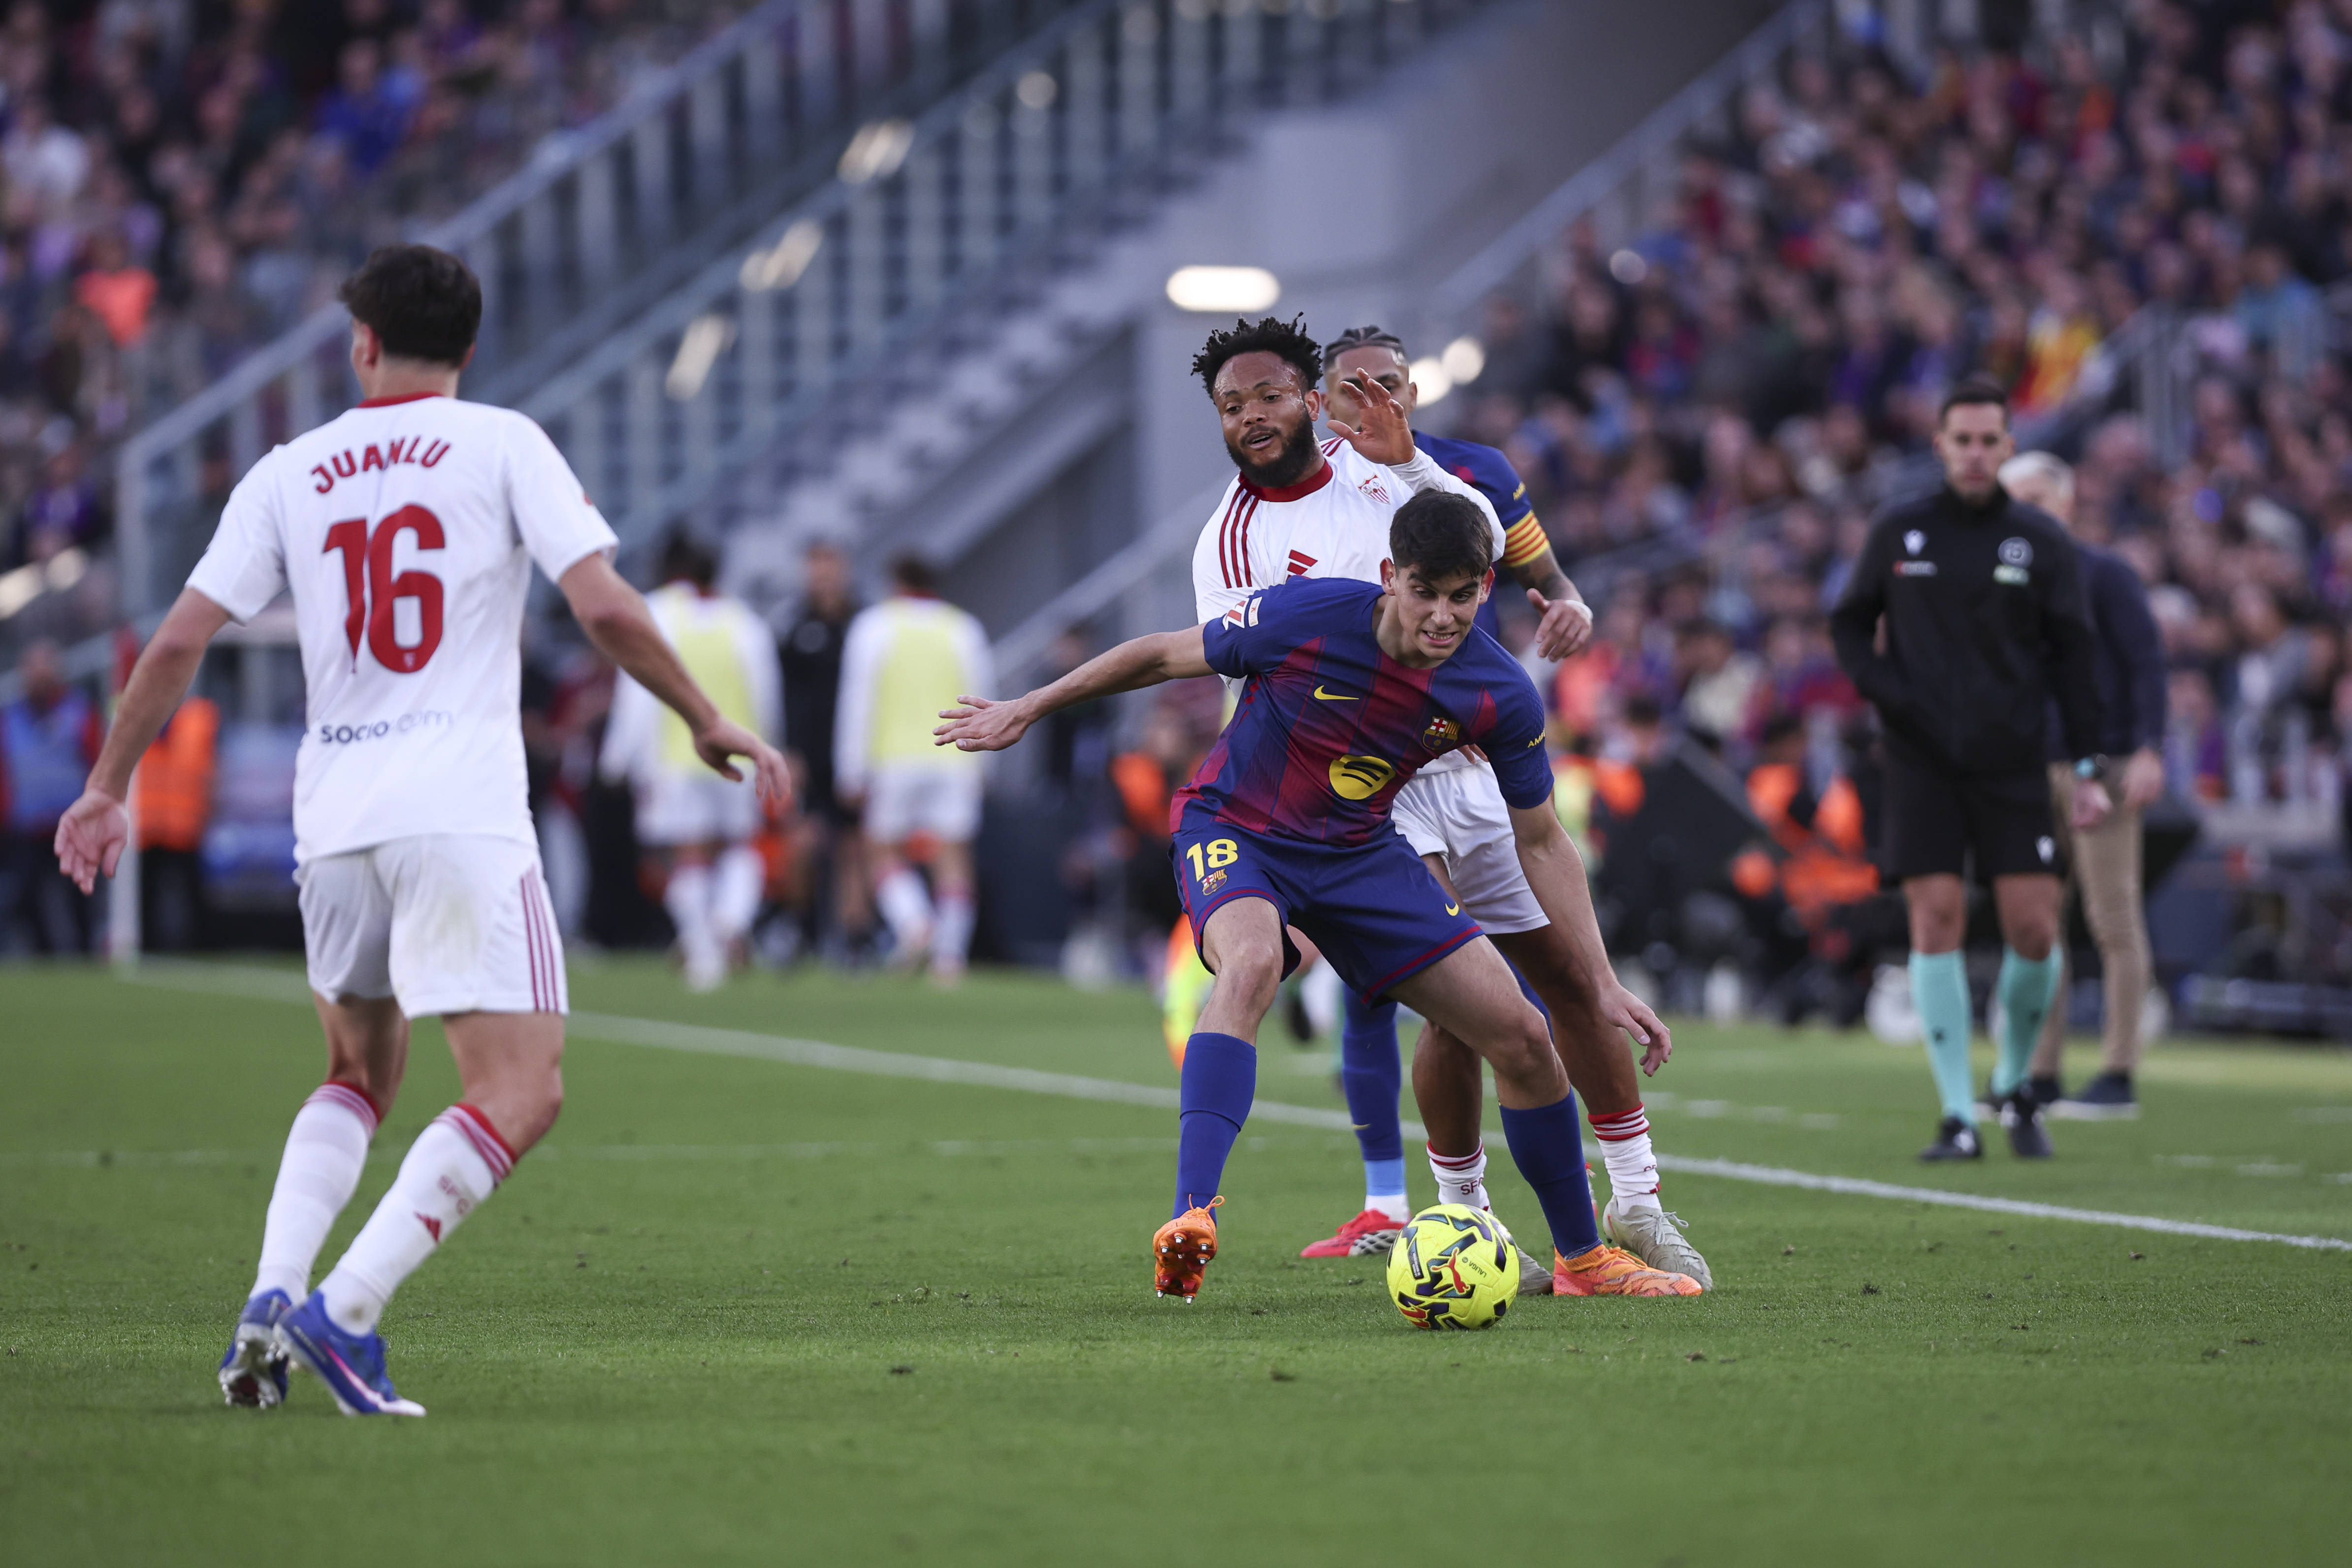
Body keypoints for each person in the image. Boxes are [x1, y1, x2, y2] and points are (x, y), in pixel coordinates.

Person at [53, 244, 787, 1418]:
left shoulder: (292, 470)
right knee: (523, 1089)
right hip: (458, 814)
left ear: (361, 345)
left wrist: (105, 786)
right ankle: (342, 1312)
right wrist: (701, 716)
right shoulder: (503, 442)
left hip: (332, 817)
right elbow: (598, 601)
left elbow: (179, 640)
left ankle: (267, 1303)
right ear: (470, 349)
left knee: (354, 1072)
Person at [942, 490, 1697, 1302]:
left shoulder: (1498, 692)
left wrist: (1599, 978)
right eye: (1424, 593)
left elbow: (1543, 840)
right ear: (1388, 577)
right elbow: (1163, 655)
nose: (1443, 617)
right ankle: (1192, 1218)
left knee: (1519, 1031)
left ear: (1485, 588)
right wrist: (1028, 707)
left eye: (1462, 596)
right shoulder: (1306, 615)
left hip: (1358, 854)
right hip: (1237, 829)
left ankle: (1584, 1260)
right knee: (1252, 965)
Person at [1294, 324, 1708, 1286]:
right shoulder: (1303, 496)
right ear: (1324, 403)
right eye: (1355, 387)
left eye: (1392, 383)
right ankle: (1465, 1216)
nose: (1378, 401)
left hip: (1481, 754)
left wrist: (1568, 603)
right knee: (1457, 998)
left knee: (1566, 980)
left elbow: (1535, 571)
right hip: (1377, 776)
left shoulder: (1472, 476)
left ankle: (1636, 1199)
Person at [1829, 379, 2110, 1162]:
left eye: (1991, 440)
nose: (1978, 453)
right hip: (1921, 762)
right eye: (1965, 440)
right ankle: (1958, 1113)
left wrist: (2087, 763)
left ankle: (2015, 1083)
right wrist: (1894, 695)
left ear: (2009, 447)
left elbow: (2076, 658)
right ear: (1941, 445)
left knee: (2032, 927)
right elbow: (1849, 625)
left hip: (2013, 762)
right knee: (1937, 920)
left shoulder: (2041, 542)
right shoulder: (1900, 530)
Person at [1998, 451, 2167, 1120]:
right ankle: (2040, 1074)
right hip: (2032, 767)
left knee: (2112, 917)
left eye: (2036, 496)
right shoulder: (2008, 585)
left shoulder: (2104, 573)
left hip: (2104, 762)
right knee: (2039, 923)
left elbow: (2147, 663)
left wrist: (2150, 748)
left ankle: (2118, 1071)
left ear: (2065, 503)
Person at [598, 530, 782, 992]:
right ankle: (729, 919)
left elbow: (636, 695)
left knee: (688, 854)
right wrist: (769, 749)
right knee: (740, 845)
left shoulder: (657, 611)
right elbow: (766, 696)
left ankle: (703, 951)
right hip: (737, 752)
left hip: (673, 758)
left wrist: (618, 758)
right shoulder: (745, 623)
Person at [835, 553, 991, 985]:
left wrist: (851, 769)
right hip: (955, 757)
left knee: (881, 851)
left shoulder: (874, 626)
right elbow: (984, 695)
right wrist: (982, 765)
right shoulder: (962, 627)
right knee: (954, 856)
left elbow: (858, 702)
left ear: (895, 581)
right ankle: (950, 958)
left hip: (894, 760)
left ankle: (915, 923)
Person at [776, 539, 863, 957]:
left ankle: (852, 937)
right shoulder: (796, 628)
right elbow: (786, 696)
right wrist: (790, 751)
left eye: (828, 567)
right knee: (803, 844)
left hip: (854, 752)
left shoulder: (864, 624)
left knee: (853, 845)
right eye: (815, 568)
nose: (822, 577)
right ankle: (799, 927)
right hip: (810, 755)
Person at [2, 640, 102, 953]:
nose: (39, 677)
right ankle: (41, 955)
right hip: (27, 827)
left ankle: (86, 955)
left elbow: (97, 763)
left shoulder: (80, 712)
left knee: (81, 898)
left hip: (73, 825)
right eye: (33, 669)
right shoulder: (10, 718)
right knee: (27, 898)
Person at [134, 692, 220, 952]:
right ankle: (147, 948)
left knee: (193, 895)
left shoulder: (200, 716)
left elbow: (212, 768)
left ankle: (198, 948)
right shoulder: (137, 715)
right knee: (145, 896)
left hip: (186, 825)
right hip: (145, 826)